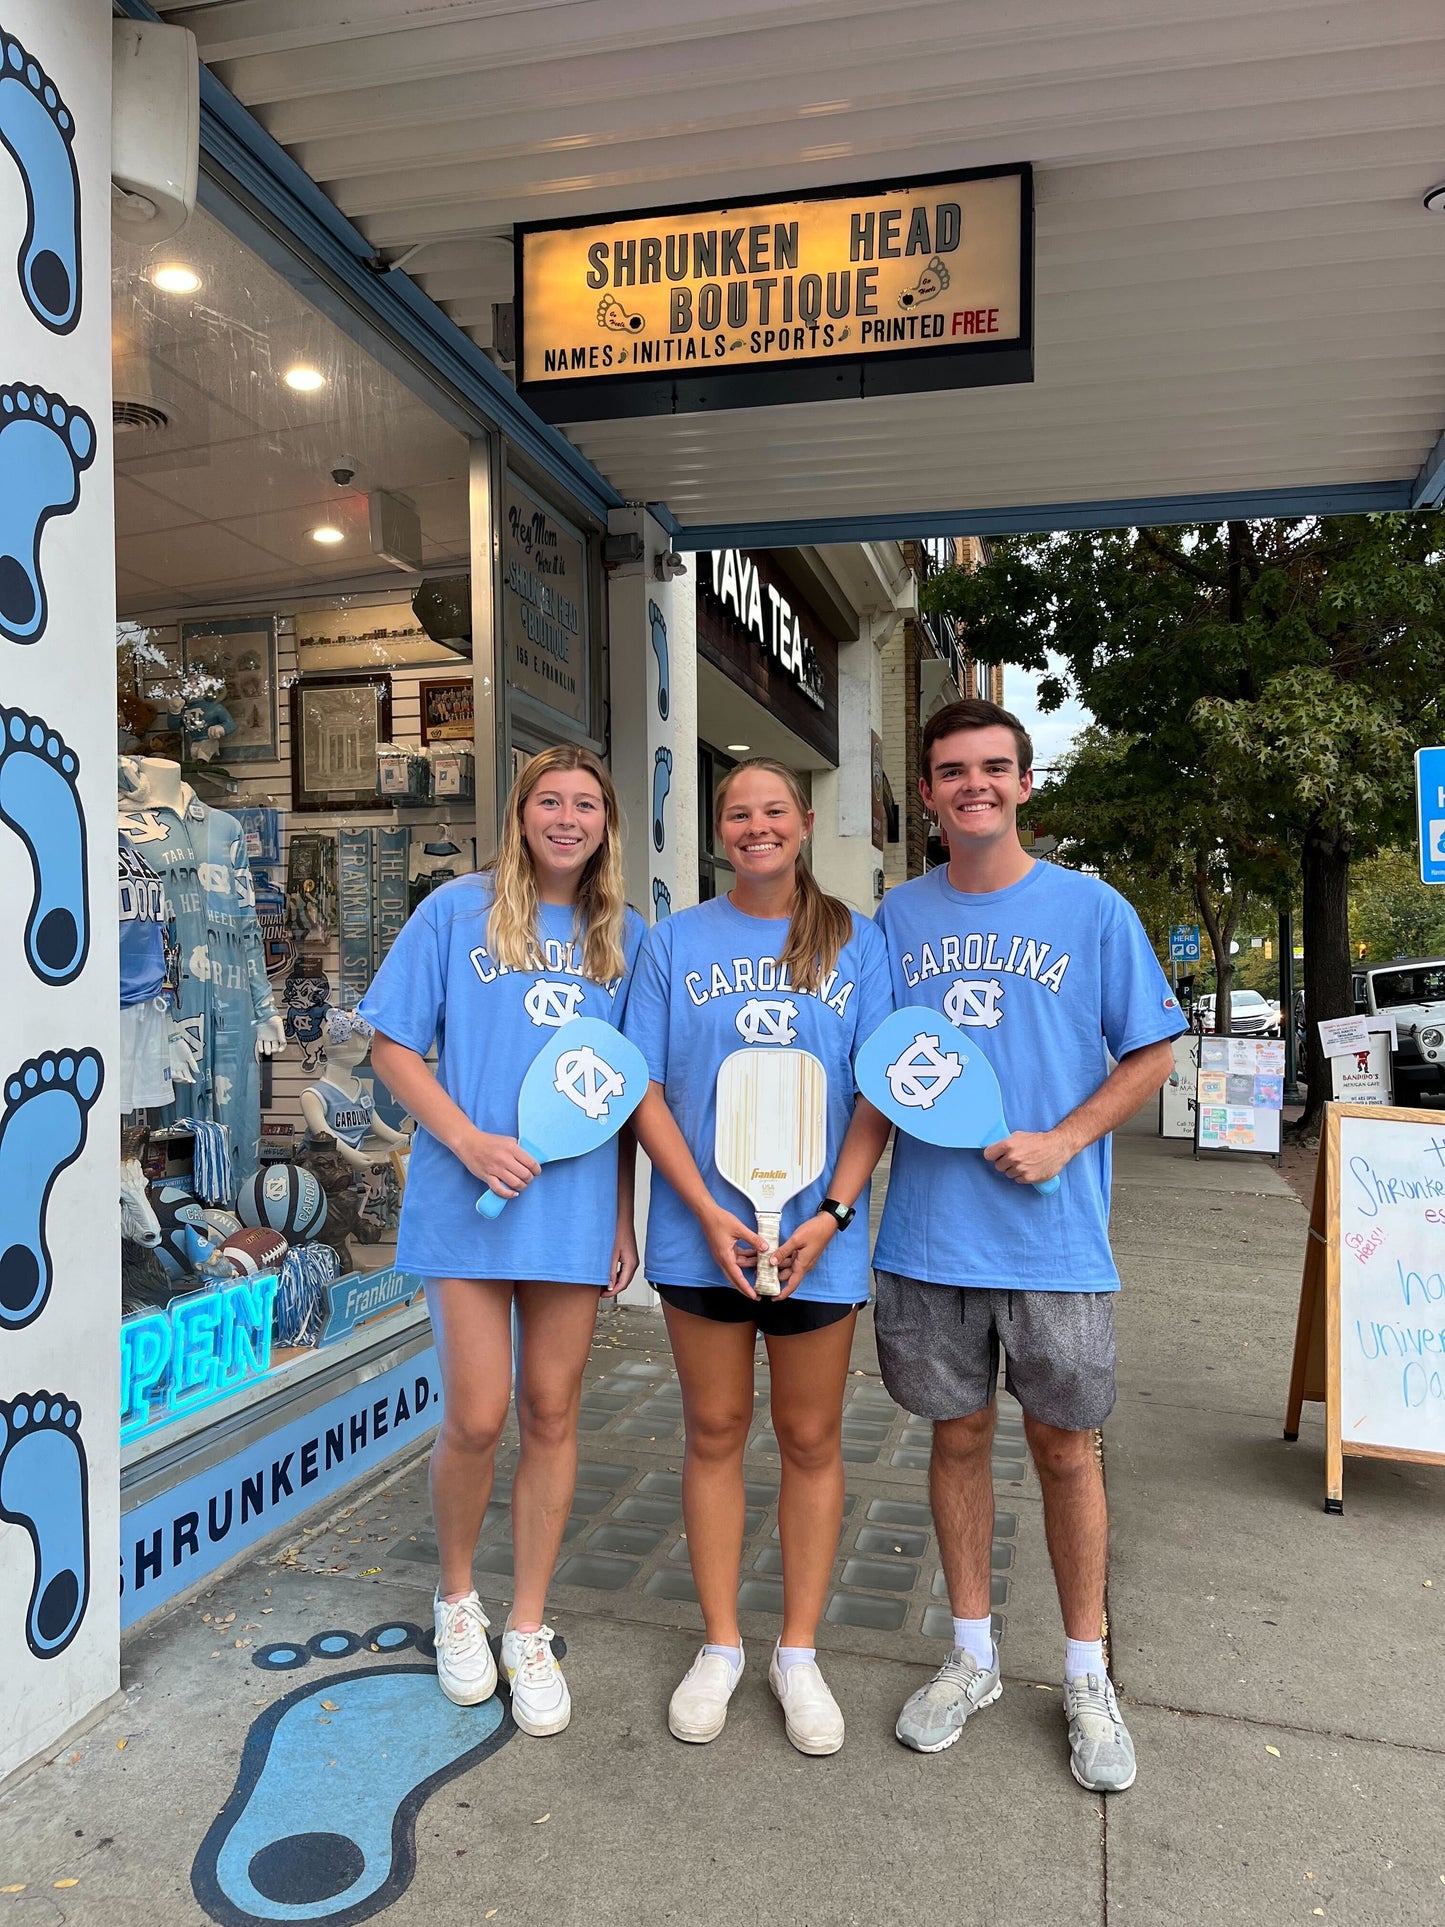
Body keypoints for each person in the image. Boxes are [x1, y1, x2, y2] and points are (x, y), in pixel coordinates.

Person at [871, 699, 1182, 1793]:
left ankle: (1086, 1674)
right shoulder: (890, 921)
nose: (974, 786)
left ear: (1023, 781)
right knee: (953, 1443)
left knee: (1063, 1452)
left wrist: (1063, 1137)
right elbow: (869, 1063)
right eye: (952, 771)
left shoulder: (1091, 912)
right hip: (928, 1238)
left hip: (1054, 1243)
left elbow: (1150, 1049)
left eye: (992, 768)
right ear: (925, 793)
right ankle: (972, 1656)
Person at [361, 746, 645, 1734]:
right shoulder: (453, 911)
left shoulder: (625, 937)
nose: (566, 819)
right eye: (549, 801)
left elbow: (623, 1090)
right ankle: (455, 1600)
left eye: (585, 805)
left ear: (606, 823)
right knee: (478, 1415)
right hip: (464, 1199)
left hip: (569, 1211)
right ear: (521, 812)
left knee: (551, 1412)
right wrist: (469, 1139)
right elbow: (390, 1047)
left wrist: (621, 1213)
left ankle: (526, 1624)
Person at [624, 759, 893, 1755]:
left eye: (772, 810)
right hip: (704, 1243)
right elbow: (643, 1089)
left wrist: (829, 1209)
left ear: (804, 822)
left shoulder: (855, 943)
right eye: (737, 812)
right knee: (713, 1431)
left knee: (811, 1439)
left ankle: (798, 1651)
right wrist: (700, 1209)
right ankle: (722, 1644)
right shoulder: (672, 941)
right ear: (717, 829)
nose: (755, 825)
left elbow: (875, 1095)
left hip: (816, 1240)